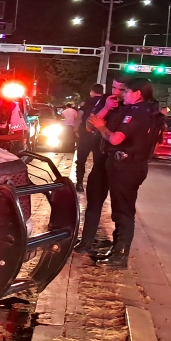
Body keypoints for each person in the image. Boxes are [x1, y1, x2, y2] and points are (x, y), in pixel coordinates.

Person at [84, 77, 159, 268]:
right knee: (120, 211)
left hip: (128, 166)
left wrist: (102, 127)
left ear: (137, 94)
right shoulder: (141, 111)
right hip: (125, 165)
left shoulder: (138, 113)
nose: (121, 94)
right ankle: (116, 250)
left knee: (123, 212)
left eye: (125, 91)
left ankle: (120, 256)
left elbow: (116, 139)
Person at [74, 78, 127, 252]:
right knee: (94, 201)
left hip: (121, 164)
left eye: (121, 89)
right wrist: (105, 108)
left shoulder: (133, 108)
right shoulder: (104, 101)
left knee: (121, 209)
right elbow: (89, 126)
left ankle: (119, 249)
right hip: (100, 160)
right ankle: (86, 241)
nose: (116, 92)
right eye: (113, 87)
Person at [75, 84, 105, 191]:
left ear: (91, 91)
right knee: (98, 162)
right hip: (100, 135)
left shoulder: (86, 102)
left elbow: (79, 117)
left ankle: (79, 183)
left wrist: (76, 130)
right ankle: (96, 185)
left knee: (81, 160)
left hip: (85, 134)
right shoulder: (106, 103)